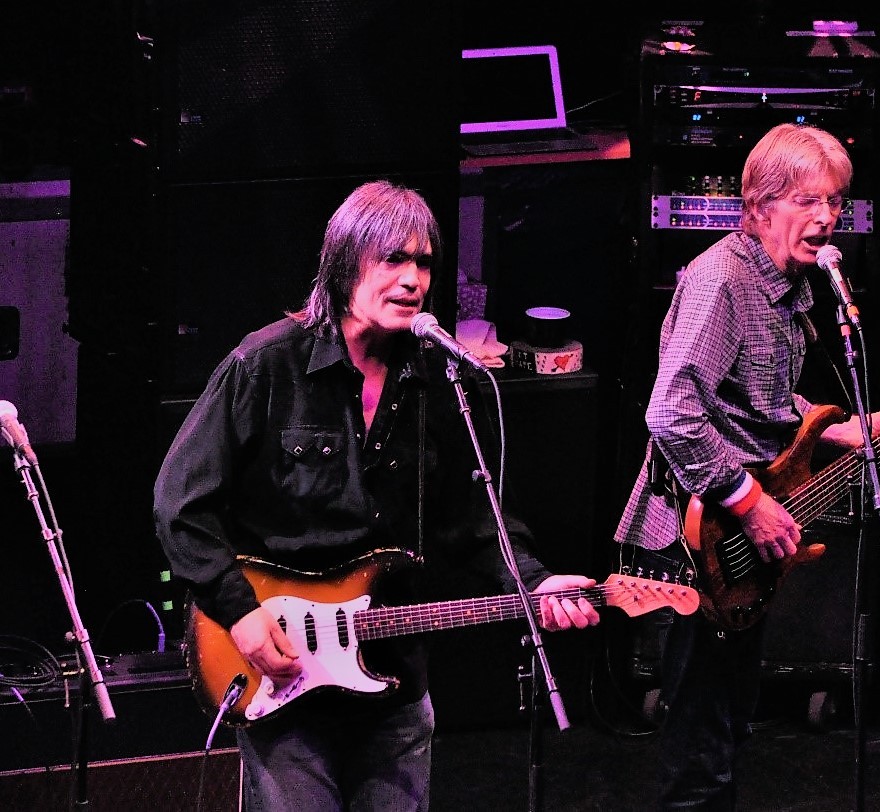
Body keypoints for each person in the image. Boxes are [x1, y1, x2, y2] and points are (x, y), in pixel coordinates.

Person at [153, 179, 601, 811]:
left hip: (394, 676)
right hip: (281, 671)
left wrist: (533, 581)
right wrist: (240, 613)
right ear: (344, 265)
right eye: (393, 259)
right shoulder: (267, 366)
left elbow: (476, 521)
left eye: (423, 262)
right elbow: (180, 502)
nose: (413, 278)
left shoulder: (439, 382)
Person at [614, 123, 880, 809]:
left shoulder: (788, 286)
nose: (825, 218)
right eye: (807, 201)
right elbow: (669, 412)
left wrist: (849, 429)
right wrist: (748, 502)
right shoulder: (720, 281)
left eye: (836, 202)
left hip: (734, 551)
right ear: (756, 206)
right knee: (698, 758)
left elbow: (756, 397)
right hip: (694, 545)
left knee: (725, 735)